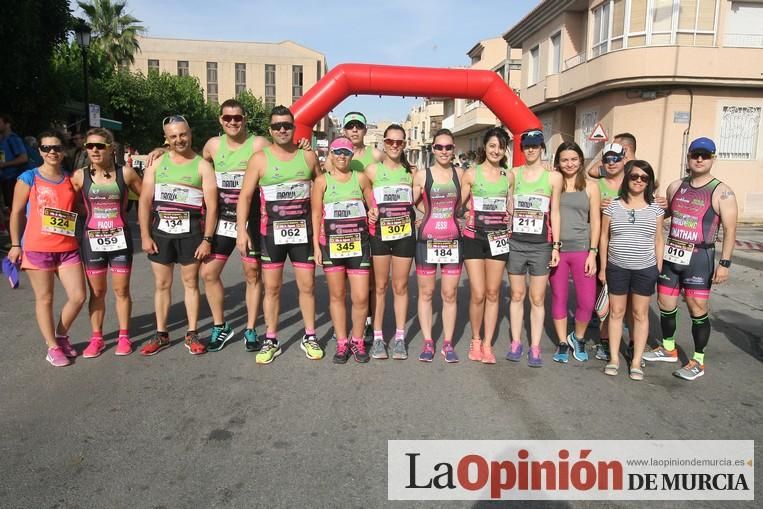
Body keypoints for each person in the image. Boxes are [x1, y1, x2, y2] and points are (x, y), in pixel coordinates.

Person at [646, 137, 738, 380]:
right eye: (695, 154)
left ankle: (698, 361)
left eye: (705, 155)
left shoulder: (722, 192)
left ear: (712, 159)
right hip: (673, 253)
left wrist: (725, 264)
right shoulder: (675, 186)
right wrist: (655, 208)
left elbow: (730, 230)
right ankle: (668, 348)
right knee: (665, 303)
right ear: (688, 157)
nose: (699, 159)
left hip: (700, 256)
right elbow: (665, 214)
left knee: (697, 308)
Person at [236, 105, 322, 364]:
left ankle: (310, 336)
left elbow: (321, 183)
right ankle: (271, 339)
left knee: (307, 286)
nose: (282, 129)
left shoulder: (307, 157)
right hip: (270, 234)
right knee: (271, 288)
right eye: (277, 126)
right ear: (270, 129)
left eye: (286, 125)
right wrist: (241, 230)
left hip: (302, 233)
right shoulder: (260, 159)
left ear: (294, 128)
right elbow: (245, 196)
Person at [138, 115, 218, 356]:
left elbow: (212, 206)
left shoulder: (203, 166)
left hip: (190, 233)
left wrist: (207, 239)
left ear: (190, 133)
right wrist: (144, 235)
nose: (179, 139)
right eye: (173, 136)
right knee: (162, 284)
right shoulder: (157, 163)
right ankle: (161, 334)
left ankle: (192, 333)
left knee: (191, 283)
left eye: (182, 134)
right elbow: (144, 201)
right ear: (166, 138)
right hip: (161, 233)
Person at [7, 131, 86, 367]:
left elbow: (80, 208)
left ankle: (61, 336)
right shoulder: (28, 178)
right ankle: (52, 347)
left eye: (57, 148)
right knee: (45, 299)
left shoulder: (71, 179)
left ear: (64, 151)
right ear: (40, 151)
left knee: (78, 296)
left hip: (68, 247)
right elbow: (17, 213)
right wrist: (15, 244)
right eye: (46, 148)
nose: (52, 152)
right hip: (37, 248)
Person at [200, 99, 271, 353]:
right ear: (220, 120)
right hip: (221, 220)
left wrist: (303, 146)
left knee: (252, 275)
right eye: (227, 118)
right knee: (208, 273)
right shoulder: (212, 145)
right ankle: (221, 325)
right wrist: (164, 151)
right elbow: (197, 163)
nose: (232, 122)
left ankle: (251, 329)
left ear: (245, 119)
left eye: (237, 118)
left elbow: (281, 159)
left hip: (249, 220)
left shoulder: (259, 144)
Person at [71, 128, 143, 357]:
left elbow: (146, 198)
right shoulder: (80, 176)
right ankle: (97, 338)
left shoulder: (127, 173)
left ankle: (123, 336)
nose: (94, 150)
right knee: (98, 292)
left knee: (121, 289)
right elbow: (68, 204)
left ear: (111, 148)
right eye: (89, 146)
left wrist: (150, 227)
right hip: (92, 240)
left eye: (100, 146)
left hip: (120, 239)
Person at [599, 160, 664, 380]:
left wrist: (658, 267)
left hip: (645, 269)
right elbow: (604, 237)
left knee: (640, 314)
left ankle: (636, 361)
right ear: (627, 178)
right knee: (616, 313)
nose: (638, 181)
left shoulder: (656, 209)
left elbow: (658, 240)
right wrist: (603, 267)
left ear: (649, 182)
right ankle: (614, 359)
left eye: (644, 178)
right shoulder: (612, 205)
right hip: (617, 267)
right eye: (634, 176)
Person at [311, 137, 374, 363]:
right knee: (337, 295)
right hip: (331, 246)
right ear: (330, 154)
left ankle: (357, 340)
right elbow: (316, 215)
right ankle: (341, 342)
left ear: (351, 155)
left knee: (359, 297)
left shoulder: (362, 178)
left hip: (359, 245)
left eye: (346, 152)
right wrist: (316, 247)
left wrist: (373, 212)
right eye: (337, 152)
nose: (341, 156)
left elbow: (371, 203)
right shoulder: (321, 181)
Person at [325, 112, 383, 341]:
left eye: (359, 126)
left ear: (365, 130)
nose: (355, 130)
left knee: (368, 279)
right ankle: (346, 326)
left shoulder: (375, 154)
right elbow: (325, 186)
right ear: (345, 131)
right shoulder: (335, 157)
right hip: (341, 227)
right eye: (350, 126)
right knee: (346, 281)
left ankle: (367, 321)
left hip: (367, 224)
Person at [506, 129, 562, 367]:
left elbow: (556, 212)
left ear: (542, 148)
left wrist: (556, 246)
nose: (531, 150)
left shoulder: (553, 177)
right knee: (517, 295)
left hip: (541, 245)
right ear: (521, 149)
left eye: (535, 146)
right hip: (516, 242)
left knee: (537, 298)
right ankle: (516, 342)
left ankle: (535, 346)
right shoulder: (513, 174)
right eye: (527, 146)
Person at [460, 127, 513, 364]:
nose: (496, 150)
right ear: (485, 147)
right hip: (473, 237)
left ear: (504, 151)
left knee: (493, 293)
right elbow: (458, 206)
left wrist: (511, 219)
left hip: (498, 239)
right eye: (492, 145)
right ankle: (475, 339)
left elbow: (511, 206)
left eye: (500, 147)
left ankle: (488, 344)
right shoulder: (471, 174)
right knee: (479, 293)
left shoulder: (508, 176)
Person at [365, 124, 416, 360]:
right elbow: (361, 198)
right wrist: (369, 212)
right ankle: (377, 337)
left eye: (399, 142)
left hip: (404, 235)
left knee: (401, 287)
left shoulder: (411, 172)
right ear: (383, 143)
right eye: (390, 142)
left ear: (404, 145)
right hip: (379, 236)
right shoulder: (372, 171)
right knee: (380, 286)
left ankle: (399, 337)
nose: (394, 146)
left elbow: (423, 202)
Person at [412, 129, 463, 362]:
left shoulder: (461, 175)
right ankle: (428, 341)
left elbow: (466, 205)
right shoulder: (422, 175)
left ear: (453, 149)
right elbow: (410, 203)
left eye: (448, 147)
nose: (444, 151)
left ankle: (448, 343)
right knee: (426, 292)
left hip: (453, 240)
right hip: (427, 240)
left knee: (449, 293)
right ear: (432, 149)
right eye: (439, 147)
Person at [548, 142, 601, 363]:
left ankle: (577, 337)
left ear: (580, 160)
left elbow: (596, 222)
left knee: (587, 301)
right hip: (557, 250)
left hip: (582, 249)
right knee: (559, 297)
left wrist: (593, 252)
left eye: (573, 159)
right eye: (564, 160)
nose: (569, 164)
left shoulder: (590, 186)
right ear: (558, 162)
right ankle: (562, 342)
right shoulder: (552, 184)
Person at [0, 114, 30, 230]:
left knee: (15, 209)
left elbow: (23, 158)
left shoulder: (14, 139)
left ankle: (19, 236)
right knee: (9, 208)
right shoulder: (3, 140)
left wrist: (4, 164)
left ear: (7, 124)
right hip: (5, 179)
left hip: (13, 179)